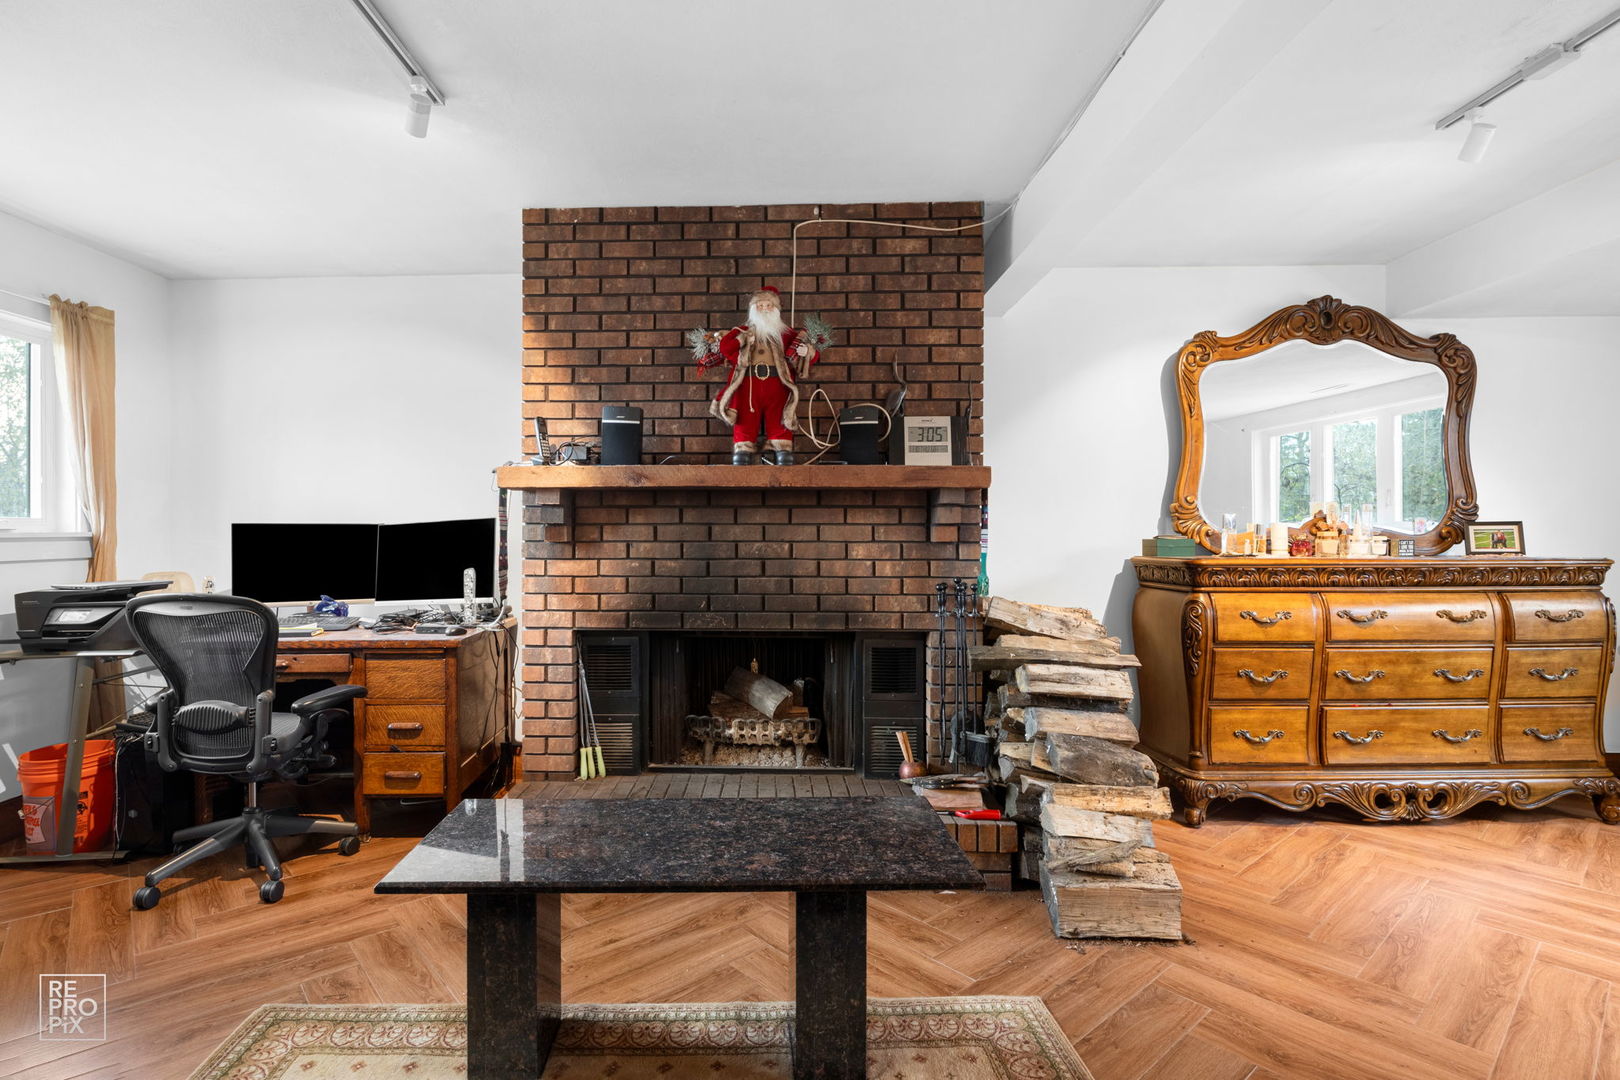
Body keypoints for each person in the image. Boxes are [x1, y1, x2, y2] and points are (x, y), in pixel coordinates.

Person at [699, 286, 821, 465]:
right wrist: (741, 340)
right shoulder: (741, 331)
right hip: (748, 384)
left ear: (776, 309)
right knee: (744, 417)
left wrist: (807, 351)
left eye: (769, 305)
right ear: (753, 309)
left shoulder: (786, 334)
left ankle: (782, 450)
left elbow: (812, 355)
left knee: (779, 416)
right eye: (760, 305)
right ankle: (742, 450)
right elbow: (725, 348)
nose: (764, 308)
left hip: (777, 384)